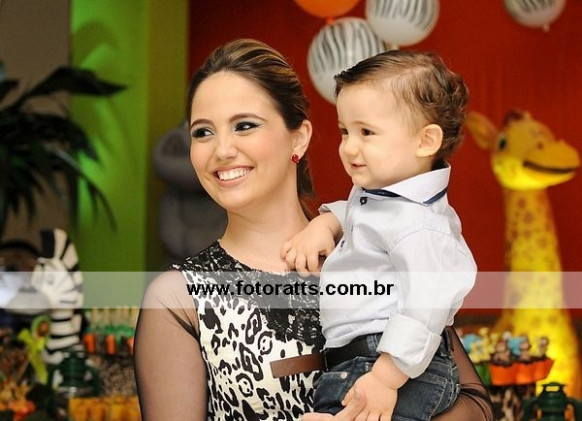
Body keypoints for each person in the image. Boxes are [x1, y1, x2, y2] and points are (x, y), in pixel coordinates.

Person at [134, 39, 494, 421]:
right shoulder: (178, 298)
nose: (221, 150)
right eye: (202, 132)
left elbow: (476, 406)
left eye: (244, 126)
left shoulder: (372, 247)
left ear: (299, 137)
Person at [283, 50, 478, 421]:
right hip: (358, 361)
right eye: (345, 131)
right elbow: (367, 217)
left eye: (367, 132)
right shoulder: (384, 199)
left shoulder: (421, 226)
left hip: (395, 365)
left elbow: (426, 305)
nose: (349, 147)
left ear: (425, 141)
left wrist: (386, 378)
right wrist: (327, 223)